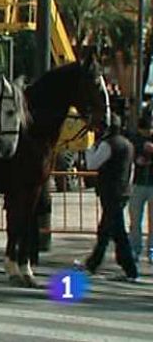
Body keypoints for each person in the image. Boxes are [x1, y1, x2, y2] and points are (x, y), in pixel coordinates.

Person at [75, 113, 139, 282]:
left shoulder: (107, 145)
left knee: (110, 232)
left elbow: (92, 164)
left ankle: (124, 268)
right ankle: (115, 266)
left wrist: (89, 148)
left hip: (110, 192)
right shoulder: (127, 144)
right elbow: (131, 169)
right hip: (123, 191)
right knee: (114, 230)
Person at [130, 124, 153, 264]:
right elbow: (132, 157)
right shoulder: (136, 140)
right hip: (138, 184)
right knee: (135, 220)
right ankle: (135, 249)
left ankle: (152, 250)